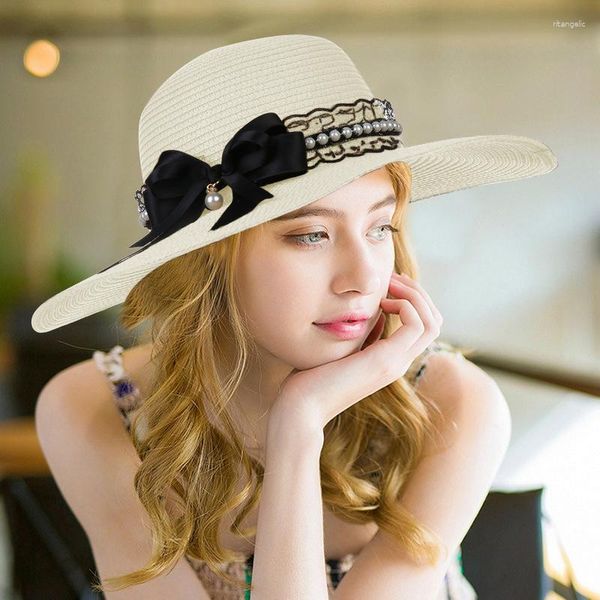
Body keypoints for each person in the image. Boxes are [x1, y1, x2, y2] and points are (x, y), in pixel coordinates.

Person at [32, 34, 557, 599]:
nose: (361, 276)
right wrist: (297, 433)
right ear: (206, 261)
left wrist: (298, 422)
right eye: (311, 234)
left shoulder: (454, 405)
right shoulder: (92, 410)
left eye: (380, 227)